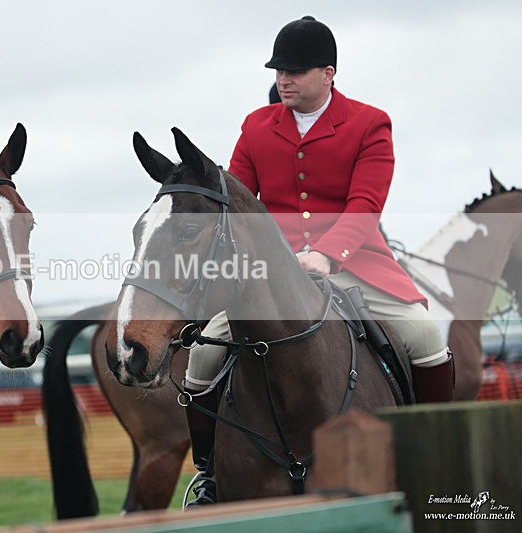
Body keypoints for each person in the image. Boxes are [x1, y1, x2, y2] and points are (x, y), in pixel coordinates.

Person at [182, 15, 454, 506]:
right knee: (202, 356)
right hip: (274, 274)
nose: (284, 78)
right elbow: (239, 202)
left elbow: (366, 205)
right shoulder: (256, 125)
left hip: (355, 263)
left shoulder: (370, 123)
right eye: (279, 70)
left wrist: (327, 255)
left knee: (426, 337)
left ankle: (433, 461)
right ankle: (209, 475)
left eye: (296, 70)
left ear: (328, 73)